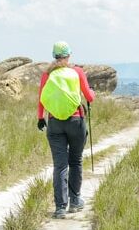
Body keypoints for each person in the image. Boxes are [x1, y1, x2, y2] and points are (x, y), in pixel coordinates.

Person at [37, 41, 95, 219]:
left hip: (54, 123)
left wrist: (40, 118)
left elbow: (41, 98)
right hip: (76, 120)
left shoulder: (48, 74)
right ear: (68, 55)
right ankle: (75, 200)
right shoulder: (77, 72)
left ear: (54, 56)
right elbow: (89, 97)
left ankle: (60, 207)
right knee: (75, 162)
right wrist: (92, 92)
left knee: (60, 165)